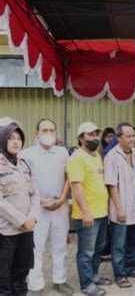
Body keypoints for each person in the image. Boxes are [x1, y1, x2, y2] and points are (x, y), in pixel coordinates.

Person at [22, 119, 73, 296]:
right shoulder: (26, 154)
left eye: (52, 130)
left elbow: (69, 177)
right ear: (37, 133)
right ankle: (35, 285)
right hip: (37, 208)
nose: (49, 134)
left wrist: (63, 198)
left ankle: (60, 280)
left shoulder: (62, 152)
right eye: (45, 130)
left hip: (60, 206)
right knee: (36, 247)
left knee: (60, 246)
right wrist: (42, 201)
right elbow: (24, 181)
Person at [67, 122, 111, 296]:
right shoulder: (76, 158)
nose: (94, 137)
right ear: (81, 138)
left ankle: (94, 276)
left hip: (101, 212)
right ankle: (86, 284)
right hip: (87, 214)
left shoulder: (96, 156)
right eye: (90, 134)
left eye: (95, 134)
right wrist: (85, 212)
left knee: (98, 249)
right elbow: (76, 187)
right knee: (86, 251)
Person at [104, 123, 135, 288]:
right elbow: (111, 184)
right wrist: (119, 207)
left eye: (133, 135)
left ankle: (131, 268)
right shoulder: (112, 156)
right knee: (119, 244)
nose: (132, 138)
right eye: (128, 136)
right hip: (120, 208)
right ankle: (120, 274)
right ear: (119, 138)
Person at [0, 118, 39, 296]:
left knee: (21, 276)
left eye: (19, 138)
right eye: (11, 138)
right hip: (6, 232)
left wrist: (32, 218)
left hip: (26, 231)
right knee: (4, 280)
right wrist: (21, 220)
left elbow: (35, 194)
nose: (16, 141)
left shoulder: (24, 164)